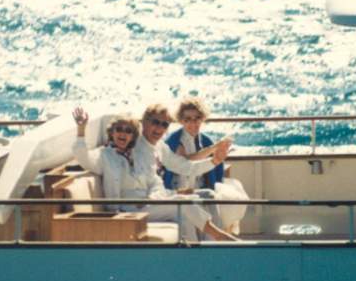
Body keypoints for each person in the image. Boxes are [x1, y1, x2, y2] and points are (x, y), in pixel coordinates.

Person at [71, 107, 237, 242]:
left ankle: (199, 255)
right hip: (126, 209)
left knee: (186, 214)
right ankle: (219, 237)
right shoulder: (112, 153)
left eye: (164, 125)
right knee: (184, 204)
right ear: (145, 123)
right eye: (155, 122)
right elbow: (84, 157)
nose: (159, 128)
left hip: (148, 203)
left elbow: (182, 168)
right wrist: (81, 129)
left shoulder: (153, 148)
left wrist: (214, 162)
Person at [162, 97, 229, 191]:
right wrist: (214, 148)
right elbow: (186, 162)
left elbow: (217, 175)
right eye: (188, 119)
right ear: (181, 120)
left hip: (200, 190)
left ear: (202, 119)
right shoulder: (173, 140)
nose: (193, 123)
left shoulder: (207, 141)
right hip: (177, 192)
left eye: (197, 118)